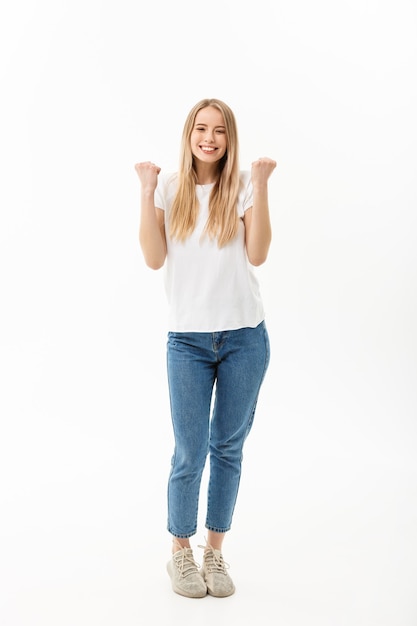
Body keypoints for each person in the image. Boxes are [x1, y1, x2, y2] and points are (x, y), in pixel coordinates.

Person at [135, 98, 276, 598]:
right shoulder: (170, 188)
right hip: (188, 342)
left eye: (219, 130)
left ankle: (214, 552)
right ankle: (180, 553)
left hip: (244, 337)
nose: (209, 138)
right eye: (201, 128)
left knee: (227, 448)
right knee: (189, 451)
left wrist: (259, 185)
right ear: (190, 133)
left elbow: (257, 253)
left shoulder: (240, 187)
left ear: (229, 137)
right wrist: (148, 188)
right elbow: (154, 259)